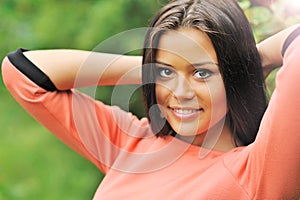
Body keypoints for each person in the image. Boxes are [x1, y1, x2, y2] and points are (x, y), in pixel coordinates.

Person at [2, 0, 300, 199]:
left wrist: (249, 62)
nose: (180, 93)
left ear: (233, 76)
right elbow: (23, 72)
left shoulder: (258, 174)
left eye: (201, 74)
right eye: (167, 73)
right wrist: (153, 69)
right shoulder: (132, 142)